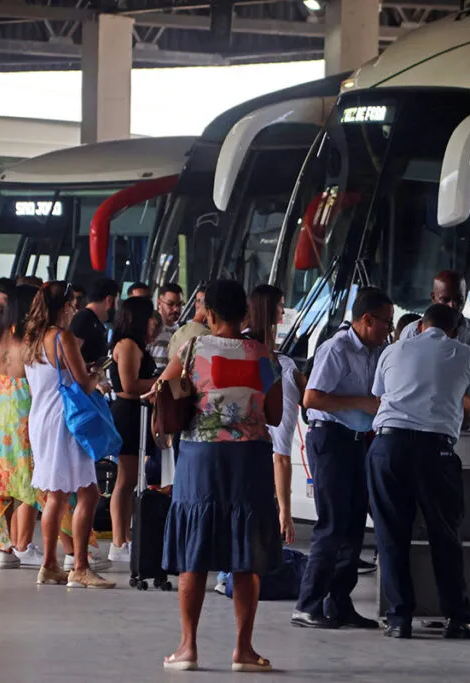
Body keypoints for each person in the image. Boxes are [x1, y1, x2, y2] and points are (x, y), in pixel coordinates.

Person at [159, 279, 283, 673]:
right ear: (244, 314)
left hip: (201, 457)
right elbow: (276, 415)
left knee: (194, 551)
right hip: (249, 459)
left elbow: (167, 390)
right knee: (245, 555)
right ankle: (243, 650)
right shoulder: (263, 354)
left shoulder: (192, 347)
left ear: (209, 314)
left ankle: (187, 648)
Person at [367, 304, 470, 640]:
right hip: (435, 452)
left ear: (421, 326)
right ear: (456, 330)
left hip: (387, 447)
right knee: (445, 536)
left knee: (391, 536)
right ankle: (457, 618)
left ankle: (398, 620)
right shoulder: (467, 354)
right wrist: (457, 399)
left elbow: (381, 393)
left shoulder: (393, 350)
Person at [291, 287, 392, 631]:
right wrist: (361, 403)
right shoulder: (337, 349)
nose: (388, 330)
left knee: (353, 527)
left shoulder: (374, 353)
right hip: (331, 440)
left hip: (357, 442)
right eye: (385, 323)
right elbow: (312, 398)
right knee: (332, 524)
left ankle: (339, 601)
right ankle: (307, 604)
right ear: (366, 320)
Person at [22, 282, 114, 589]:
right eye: (72, 304)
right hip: (65, 420)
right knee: (89, 492)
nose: (75, 310)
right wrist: (98, 374)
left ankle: (50, 564)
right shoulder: (63, 338)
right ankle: (79, 566)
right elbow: (84, 384)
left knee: (56, 495)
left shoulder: (32, 338)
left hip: (41, 417)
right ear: (63, 307)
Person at [0, 284, 44, 569]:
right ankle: (24, 545)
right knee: (27, 479)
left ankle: (3, 547)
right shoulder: (31, 340)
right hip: (23, 414)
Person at [107, 296, 158, 564]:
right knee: (124, 480)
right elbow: (129, 384)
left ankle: (125, 537)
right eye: (150, 316)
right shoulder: (127, 345)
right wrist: (161, 381)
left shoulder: (138, 345)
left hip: (137, 413)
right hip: (126, 413)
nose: (153, 321)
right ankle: (118, 540)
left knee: (129, 480)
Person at [245, 284, 296, 546]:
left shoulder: (233, 346)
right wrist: (285, 512)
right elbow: (282, 455)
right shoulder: (280, 366)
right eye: (280, 305)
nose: (283, 311)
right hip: (254, 455)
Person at [398, 271, 470, 374]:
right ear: (433, 298)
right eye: (445, 299)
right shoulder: (413, 332)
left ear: (466, 296)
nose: (452, 305)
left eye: (459, 299)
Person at [70, 278, 120, 366]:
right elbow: (70, 357)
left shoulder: (93, 321)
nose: (116, 308)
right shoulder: (84, 319)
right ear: (109, 300)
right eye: (116, 302)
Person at [167, 285, 209, 361]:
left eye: (203, 301)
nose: (199, 305)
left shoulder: (179, 331)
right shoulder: (183, 329)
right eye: (198, 301)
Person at [149, 283, 184, 371]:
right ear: (159, 302)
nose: (176, 309)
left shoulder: (182, 331)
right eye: (170, 304)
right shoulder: (149, 329)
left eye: (179, 304)